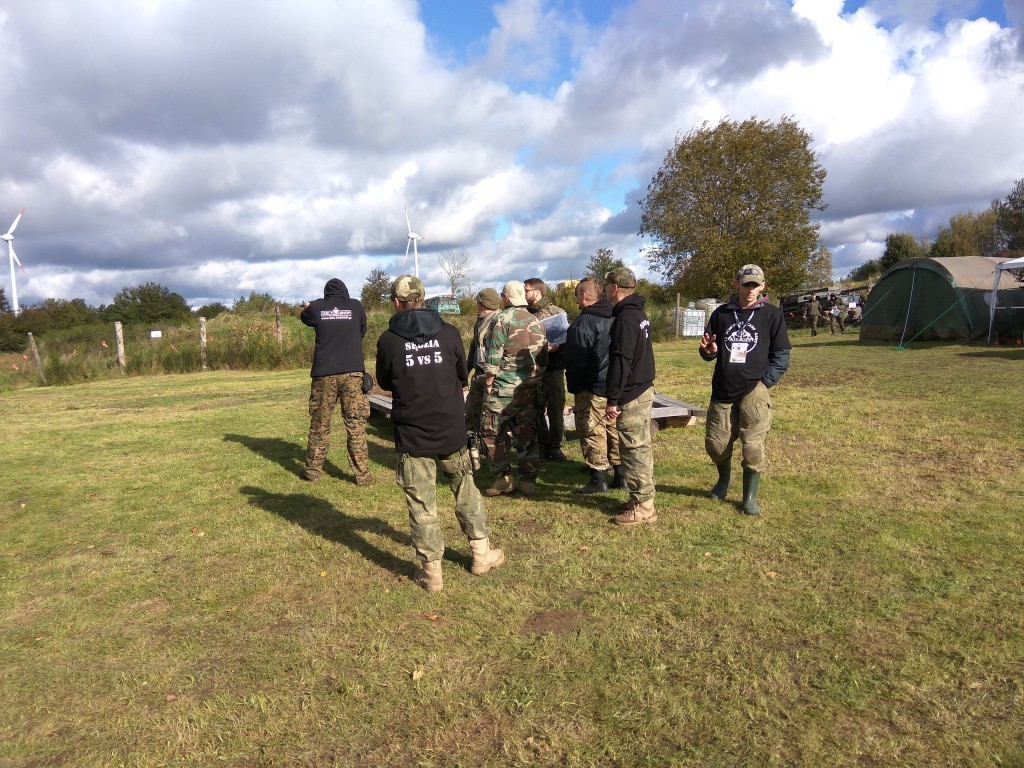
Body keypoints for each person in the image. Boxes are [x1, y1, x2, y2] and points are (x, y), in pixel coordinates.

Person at [375, 275, 504, 592]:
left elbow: (386, 381)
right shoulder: (449, 333)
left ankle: (432, 571)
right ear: (423, 298)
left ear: (396, 303)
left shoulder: (388, 341)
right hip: (450, 427)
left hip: (413, 433)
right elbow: (462, 373)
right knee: (466, 489)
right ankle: (481, 553)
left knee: (421, 503)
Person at [699, 264, 791, 516]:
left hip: (754, 390)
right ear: (736, 284)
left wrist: (765, 383)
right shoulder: (721, 314)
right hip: (723, 388)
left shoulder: (772, 315)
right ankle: (723, 480)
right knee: (716, 445)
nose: (750, 289)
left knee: (752, 448)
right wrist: (708, 352)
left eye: (755, 285)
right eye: (746, 284)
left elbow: (782, 355)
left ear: (762, 286)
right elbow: (708, 349)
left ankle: (749, 496)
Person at [299, 278, 371, 485]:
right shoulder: (356, 306)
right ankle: (362, 475)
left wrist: (310, 306)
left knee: (319, 424)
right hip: (352, 373)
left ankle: (312, 472)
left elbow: (304, 317)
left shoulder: (316, 307)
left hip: (324, 374)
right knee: (356, 425)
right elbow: (361, 331)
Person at [479, 280, 547, 497]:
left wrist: (488, 384)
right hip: (530, 387)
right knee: (527, 434)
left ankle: (503, 477)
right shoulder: (536, 321)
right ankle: (528, 480)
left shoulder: (502, 319)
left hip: (503, 389)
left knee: (490, 431)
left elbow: (493, 356)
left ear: (506, 298)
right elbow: (543, 358)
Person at [604, 267, 657, 525]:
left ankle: (644, 507)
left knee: (634, 449)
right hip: (643, 388)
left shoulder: (625, 318)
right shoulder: (638, 313)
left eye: (606, 286)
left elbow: (622, 361)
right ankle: (640, 498)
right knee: (639, 447)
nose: (605, 290)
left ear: (614, 288)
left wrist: (613, 399)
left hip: (632, 393)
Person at [564, 276, 622, 495]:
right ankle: (621, 475)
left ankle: (598, 478)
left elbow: (577, 360)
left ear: (583, 295)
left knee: (592, 430)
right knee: (613, 428)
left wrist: (575, 386)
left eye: (577, 294)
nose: (576, 299)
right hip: (613, 384)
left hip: (592, 386)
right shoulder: (615, 316)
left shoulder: (584, 322)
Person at [525, 278, 569, 461]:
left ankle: (556, 447)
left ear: (537, 292)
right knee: (535, 409)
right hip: (531, 370)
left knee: (555, 409)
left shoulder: (556, 312)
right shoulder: (524, 315)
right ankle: (542, 445)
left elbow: (568, 340)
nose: (524, 293)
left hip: (553, 369)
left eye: (527, 290)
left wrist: (558, 348)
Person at [464, 288, 502, 461]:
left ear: (483, 304)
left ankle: (492, 453)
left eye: (478, 302)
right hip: (479, 375)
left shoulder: (499, 321)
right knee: (471, 414)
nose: (476, 306)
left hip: (493, 377)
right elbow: (474, 347)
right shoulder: (480, 322)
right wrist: (465, 371)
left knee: (491, 419)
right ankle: (471, 450)